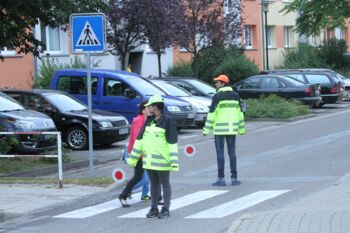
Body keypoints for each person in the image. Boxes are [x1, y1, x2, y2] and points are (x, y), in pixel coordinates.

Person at [127, 95, 179, 219]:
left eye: (149, 106)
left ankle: (165, 209)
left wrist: (174, 161)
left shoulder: (168, 121)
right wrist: (133, 158)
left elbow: (172, 142)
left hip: (162, 161)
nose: (148, 108)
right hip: (149, 160)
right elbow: (139, 140)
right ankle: (154, 208)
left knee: (165, 184)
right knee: (154, 185)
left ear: (155, 107)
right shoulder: (149, 121)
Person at [203, 74, 245, 186]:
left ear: (223, 83)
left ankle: (221, 179)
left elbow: (211, 114)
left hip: (219, 130)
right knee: (232, 153)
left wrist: (206, 130)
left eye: (217, 82)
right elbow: (240, 114)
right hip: (232, 130)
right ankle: (234, 178)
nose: (215, 84)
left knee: (220, 153)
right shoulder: (236, 95)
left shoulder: (217, 96)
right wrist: (241, 129)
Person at [119, 100, 151, 207]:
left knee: (142, 176)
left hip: (144, 154)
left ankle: (126, 193)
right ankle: (124, 194)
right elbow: (139, 139)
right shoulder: (139, 121)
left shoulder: (147, 120)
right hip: (138, 154)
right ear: (143, 110)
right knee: (139, 177)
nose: (150, 109)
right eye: (148, 108)